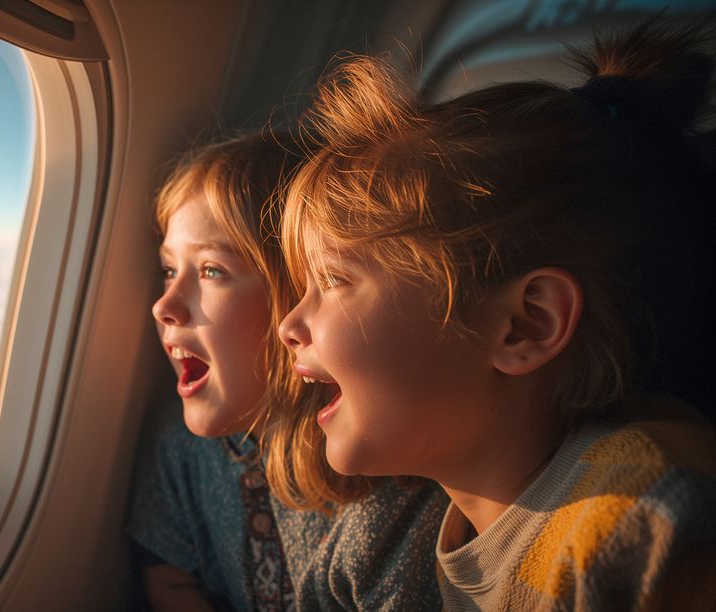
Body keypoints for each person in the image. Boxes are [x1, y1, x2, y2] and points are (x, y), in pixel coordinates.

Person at [276, 21, 716, 610]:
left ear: (524, 326)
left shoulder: (649, 516)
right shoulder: (457, 528)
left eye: (333, 281)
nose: (287, 325)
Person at [127, 131, 446, 611]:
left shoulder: (383, 481)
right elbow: (169, 579)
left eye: (212, 270)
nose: (164, 305)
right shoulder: (179, 448)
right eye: (169, 270)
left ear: (299, 295)